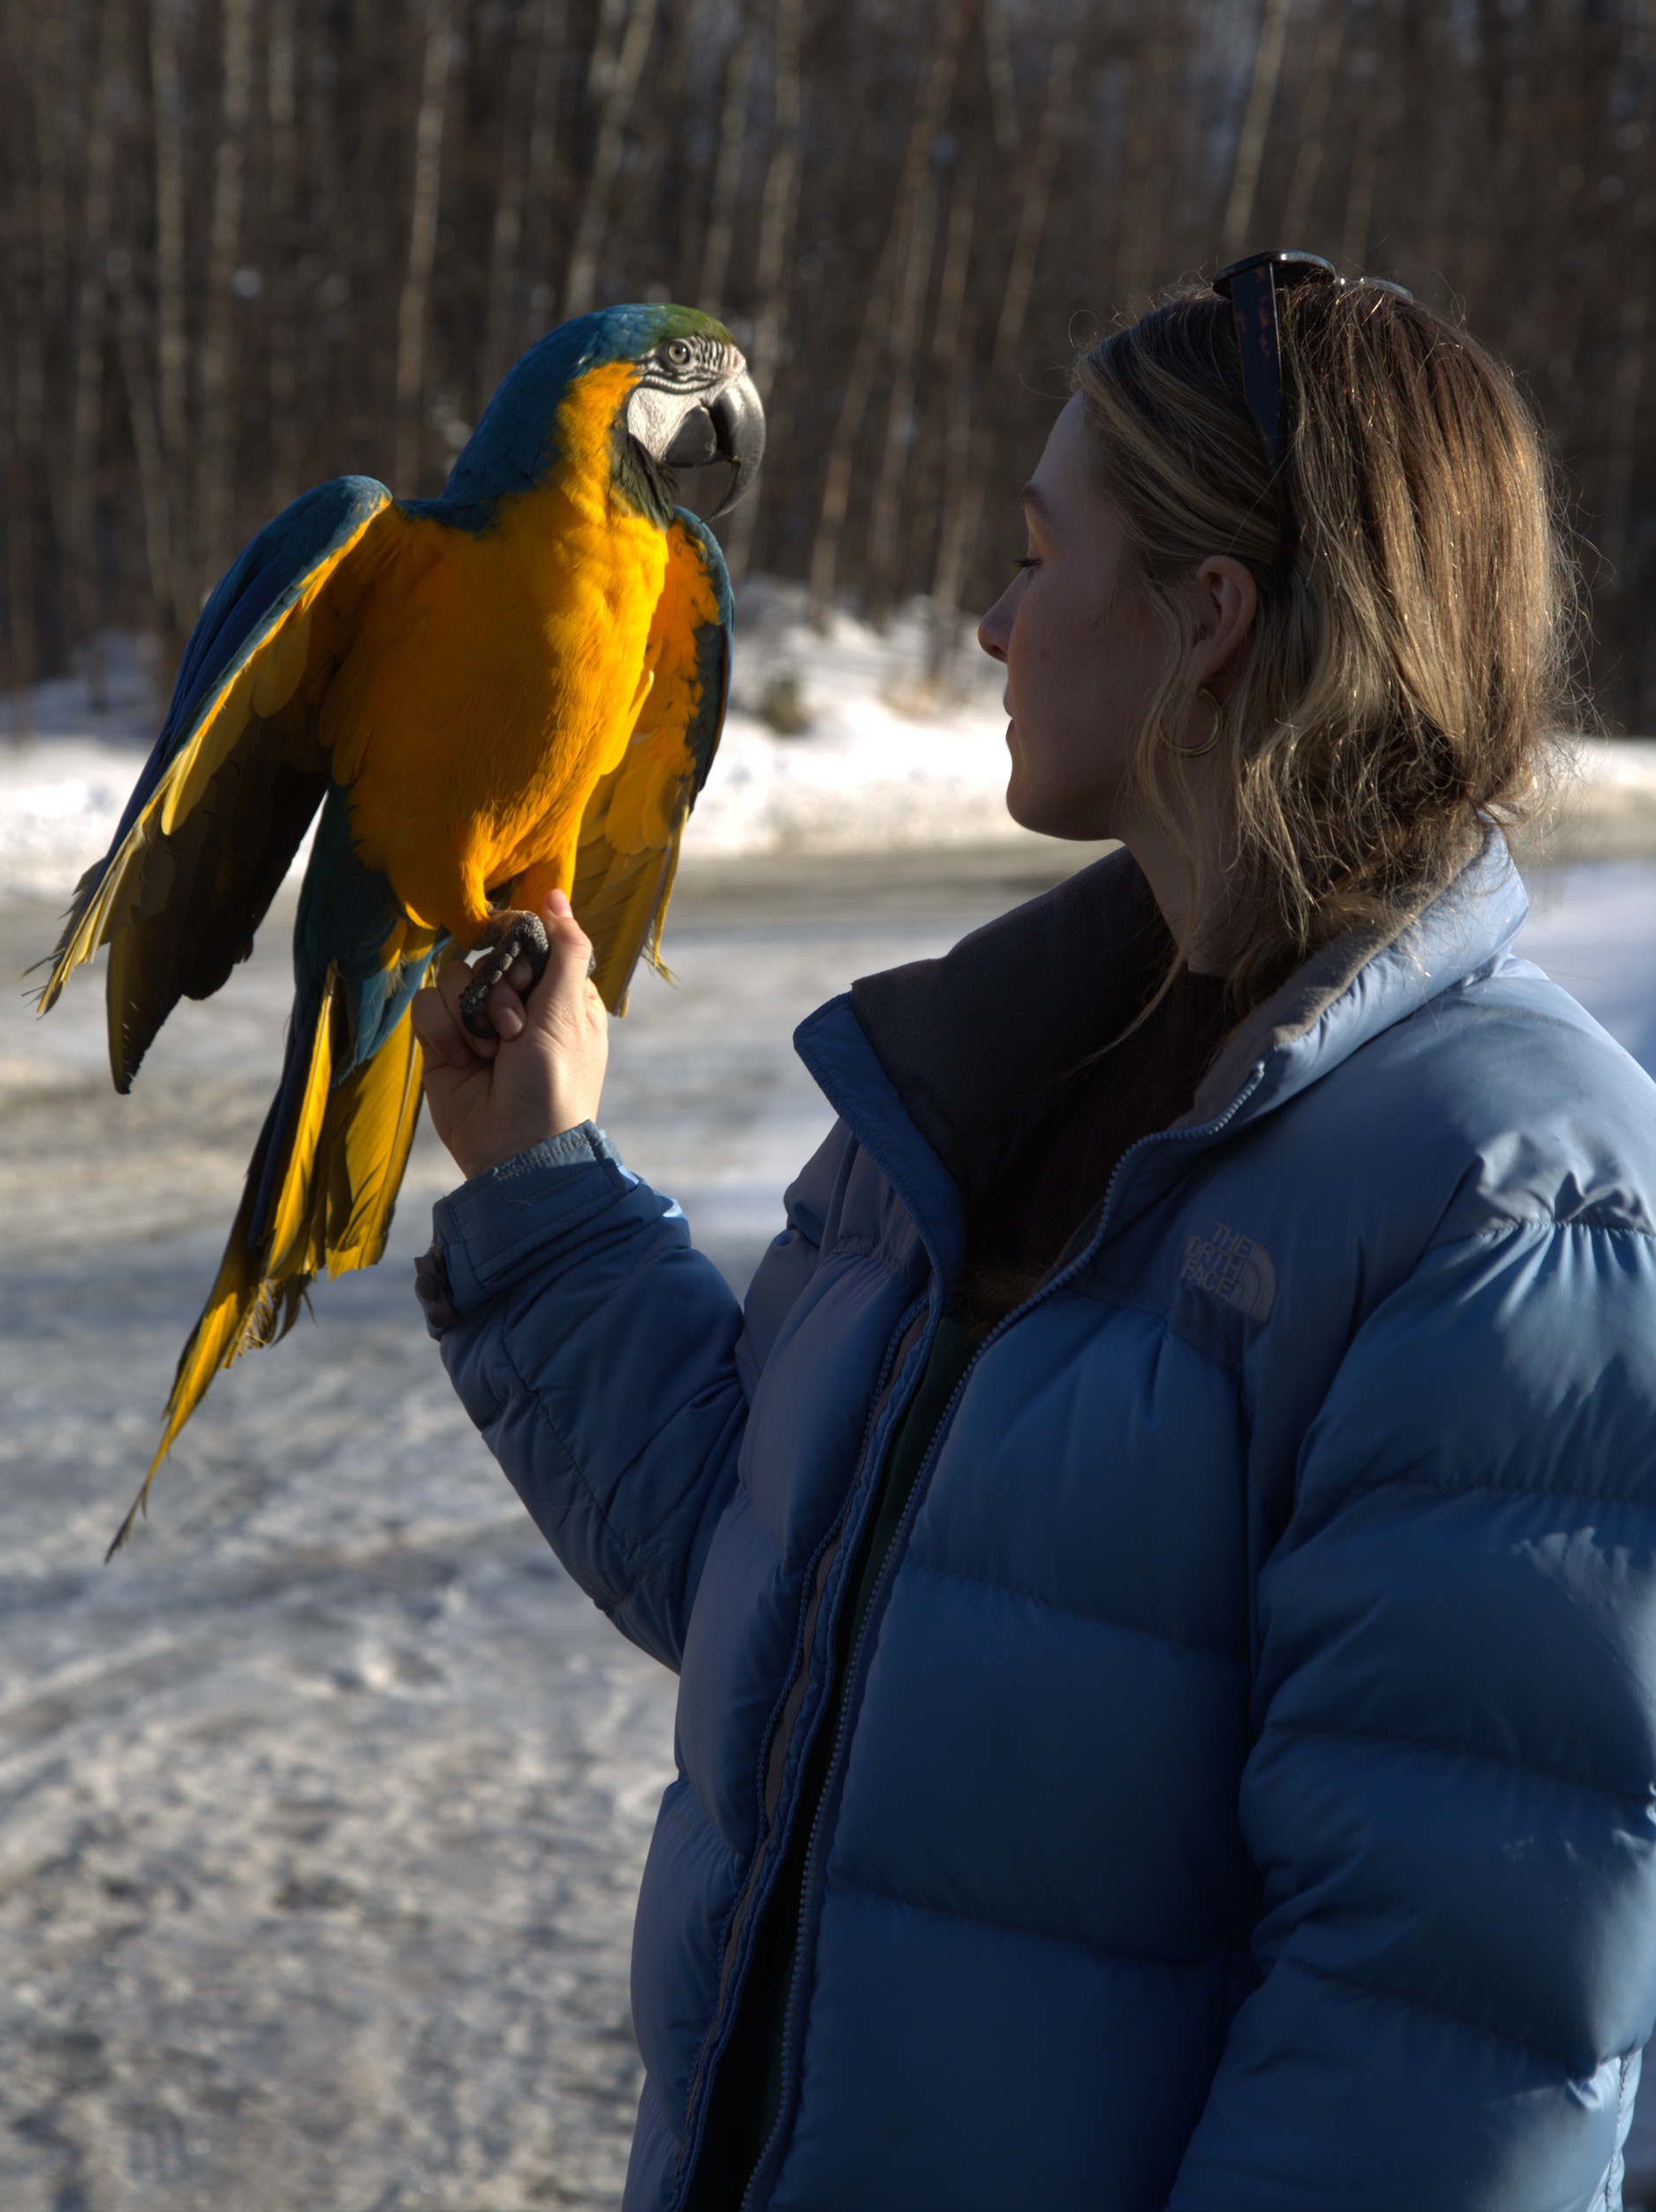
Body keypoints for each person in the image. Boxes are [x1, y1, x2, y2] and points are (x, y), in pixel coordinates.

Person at [408, 255, 1656, 2212]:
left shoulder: (1503, 1206)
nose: (990, 624)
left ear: (1206, 619)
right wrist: (548, 1193)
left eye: (1032, 554)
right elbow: (801, 1586)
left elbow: (1431, 2071)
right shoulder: (977, 1092)